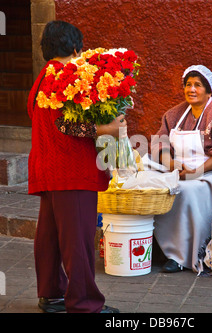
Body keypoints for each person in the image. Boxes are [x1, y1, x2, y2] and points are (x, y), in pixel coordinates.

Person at [27, 20, 124, 313]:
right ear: (74, 47)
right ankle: (84, 304)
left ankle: (51, 293)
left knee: (50, 236)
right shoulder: (66, 77)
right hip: (71, 169)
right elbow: (68, 124)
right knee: (77, 241)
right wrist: (108, 127)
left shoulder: (42, 78)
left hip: (48, 167)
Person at [150, 65, 212, 274]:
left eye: (198, 85)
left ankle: (182, 255)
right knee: (152, 185)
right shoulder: (175, 114)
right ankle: (159, 247)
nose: (191, 89)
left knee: (186, 192)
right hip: (181, 169)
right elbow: (160, 141)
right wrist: (171, 164)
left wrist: (195, 172)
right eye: (188, 85)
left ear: (209, 90)